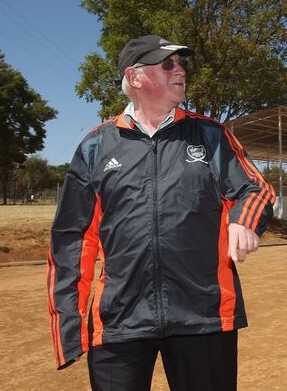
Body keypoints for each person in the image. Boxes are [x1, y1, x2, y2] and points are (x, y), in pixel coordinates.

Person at [47, 35, 275, 391]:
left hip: (203, 316)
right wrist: (69, 325)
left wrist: (243, 222)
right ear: (135, 77)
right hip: (119, 319)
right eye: (168, 64)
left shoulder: (211, 136)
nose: (180, 70)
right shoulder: (95, 146)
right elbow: (73, 240)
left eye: (181, 63)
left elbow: (255, 188)